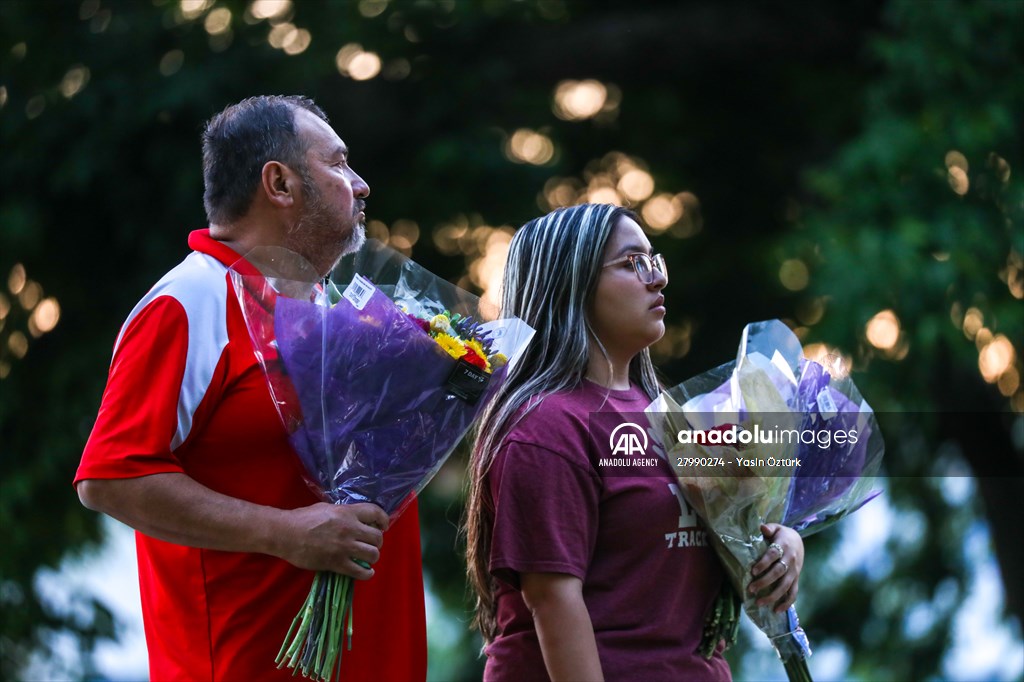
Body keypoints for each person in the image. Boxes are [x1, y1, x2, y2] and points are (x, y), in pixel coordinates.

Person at [74, 95, 426, 681]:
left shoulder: (333, 307)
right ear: (279, 183)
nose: (361, 184)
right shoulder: (186, 303)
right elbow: (110, 478)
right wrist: (284, 533)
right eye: (338, 164)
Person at [463, 203, 805, 681]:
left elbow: (718, 532)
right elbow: (553, 601)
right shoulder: (544, 427)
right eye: (632, 263)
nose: (658, 278)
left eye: (654, 261)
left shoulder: (666, 414)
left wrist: (781, 545)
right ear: (572, 282)